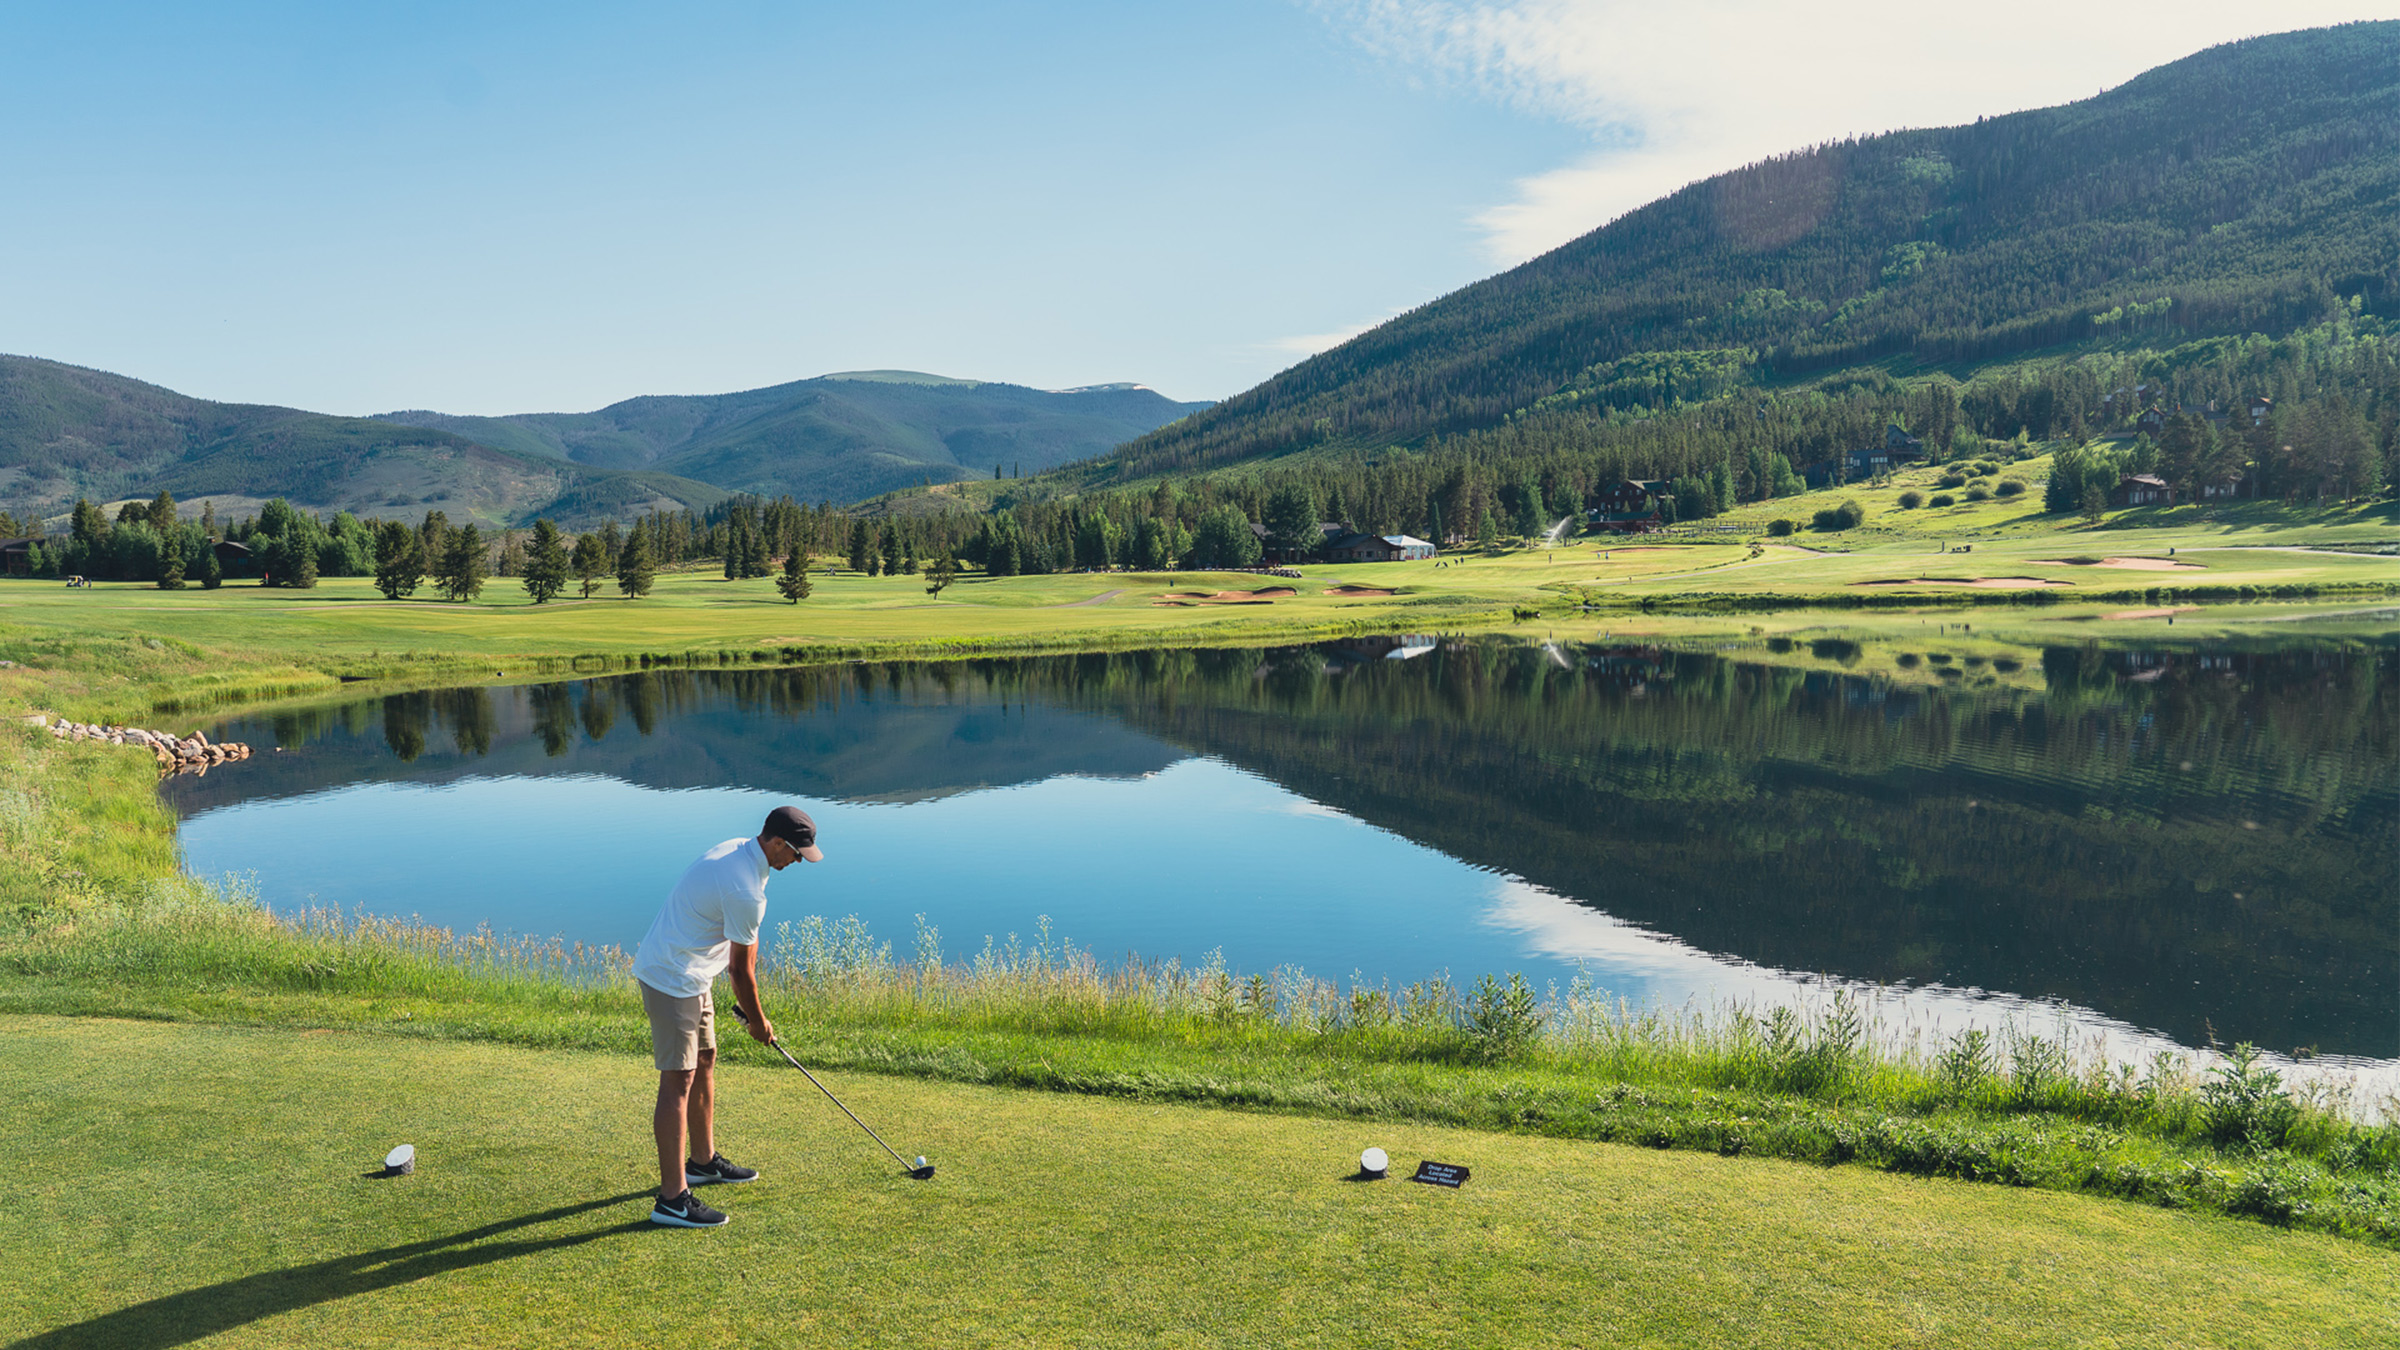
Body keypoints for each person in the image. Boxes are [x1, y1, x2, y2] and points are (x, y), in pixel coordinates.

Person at [633, 805, 824, 1227]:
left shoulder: (742, 854)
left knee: (705, 1060)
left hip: (693, 973)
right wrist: (758, 1022)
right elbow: (741, 971)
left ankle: (701, 1162)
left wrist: (755, 1015)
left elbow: (745, 947)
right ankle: (672, 1199)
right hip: (671, 976)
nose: (797, 862)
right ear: (776, 843)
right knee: (677, 1080)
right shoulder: (744, 890)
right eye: (795, 853)